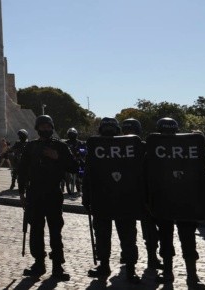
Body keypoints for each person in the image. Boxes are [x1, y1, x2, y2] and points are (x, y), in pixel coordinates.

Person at [18, 114, 76, 281]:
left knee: (55, 231)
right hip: (34, 193)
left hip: (53, 193)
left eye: (48, 126)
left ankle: (57, 265)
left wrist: (57, 157)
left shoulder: (61, 147)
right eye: (42, 127)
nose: (45, 129)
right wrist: (21, 193)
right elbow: (22, 171)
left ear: (52, 128)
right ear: (37, 128)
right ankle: (38, 263)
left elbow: (74, 167)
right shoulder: (30, 147)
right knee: (35, 230)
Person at [83, 118, 140, 283]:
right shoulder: (95, 148)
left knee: (128, 237)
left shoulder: (129, 146)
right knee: (102, 236)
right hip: (102, 199)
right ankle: (104, 265)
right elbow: (88, 174)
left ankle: (130, 268)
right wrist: (86, 197)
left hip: (124, 199)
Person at [153, 118, 205, 289]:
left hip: (179, 201)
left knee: (175, 239)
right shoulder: (154, 148)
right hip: (171, 201)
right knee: (174, 239)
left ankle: (186, 274)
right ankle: (179, 273)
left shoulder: (156, 147)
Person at [121, 118, 163, 271]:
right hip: (127, 194)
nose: (128, 134)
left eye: (131, 131)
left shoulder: (146, 147)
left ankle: (152, 257)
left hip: (145, 194)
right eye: (126, 131)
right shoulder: (117, 148)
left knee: (150, 231)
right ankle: (127, 256)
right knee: (127, 230)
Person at [62, 128, 83, 195]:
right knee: (61, 169)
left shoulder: (80, 142)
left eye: (73, 134)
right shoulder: (65, 143)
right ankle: (62, 185)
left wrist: (80, 153)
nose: (72, 135)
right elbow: (62, 151)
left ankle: (80, 188)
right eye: (70, 134)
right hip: (68, 160)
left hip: (77, 159)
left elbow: (84, 150)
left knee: (82, 170)